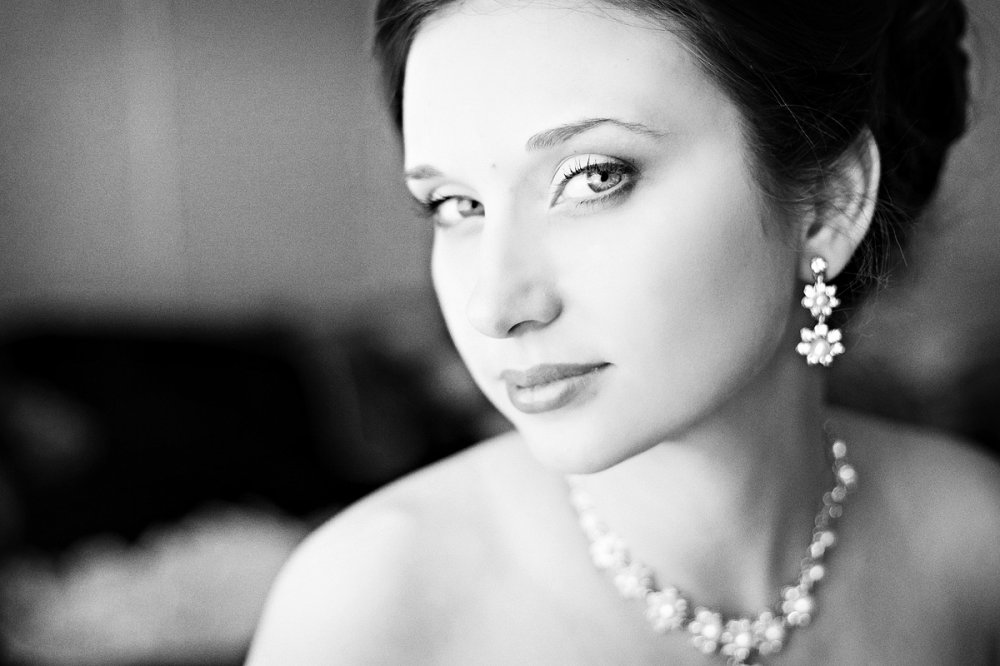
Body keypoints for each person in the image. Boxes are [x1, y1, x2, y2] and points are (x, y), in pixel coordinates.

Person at [247, 0, 1000, 663]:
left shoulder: (972, 544)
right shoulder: (368, 608)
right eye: (455, 205)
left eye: (594, 177)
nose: (495, 306)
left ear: (830, 203)